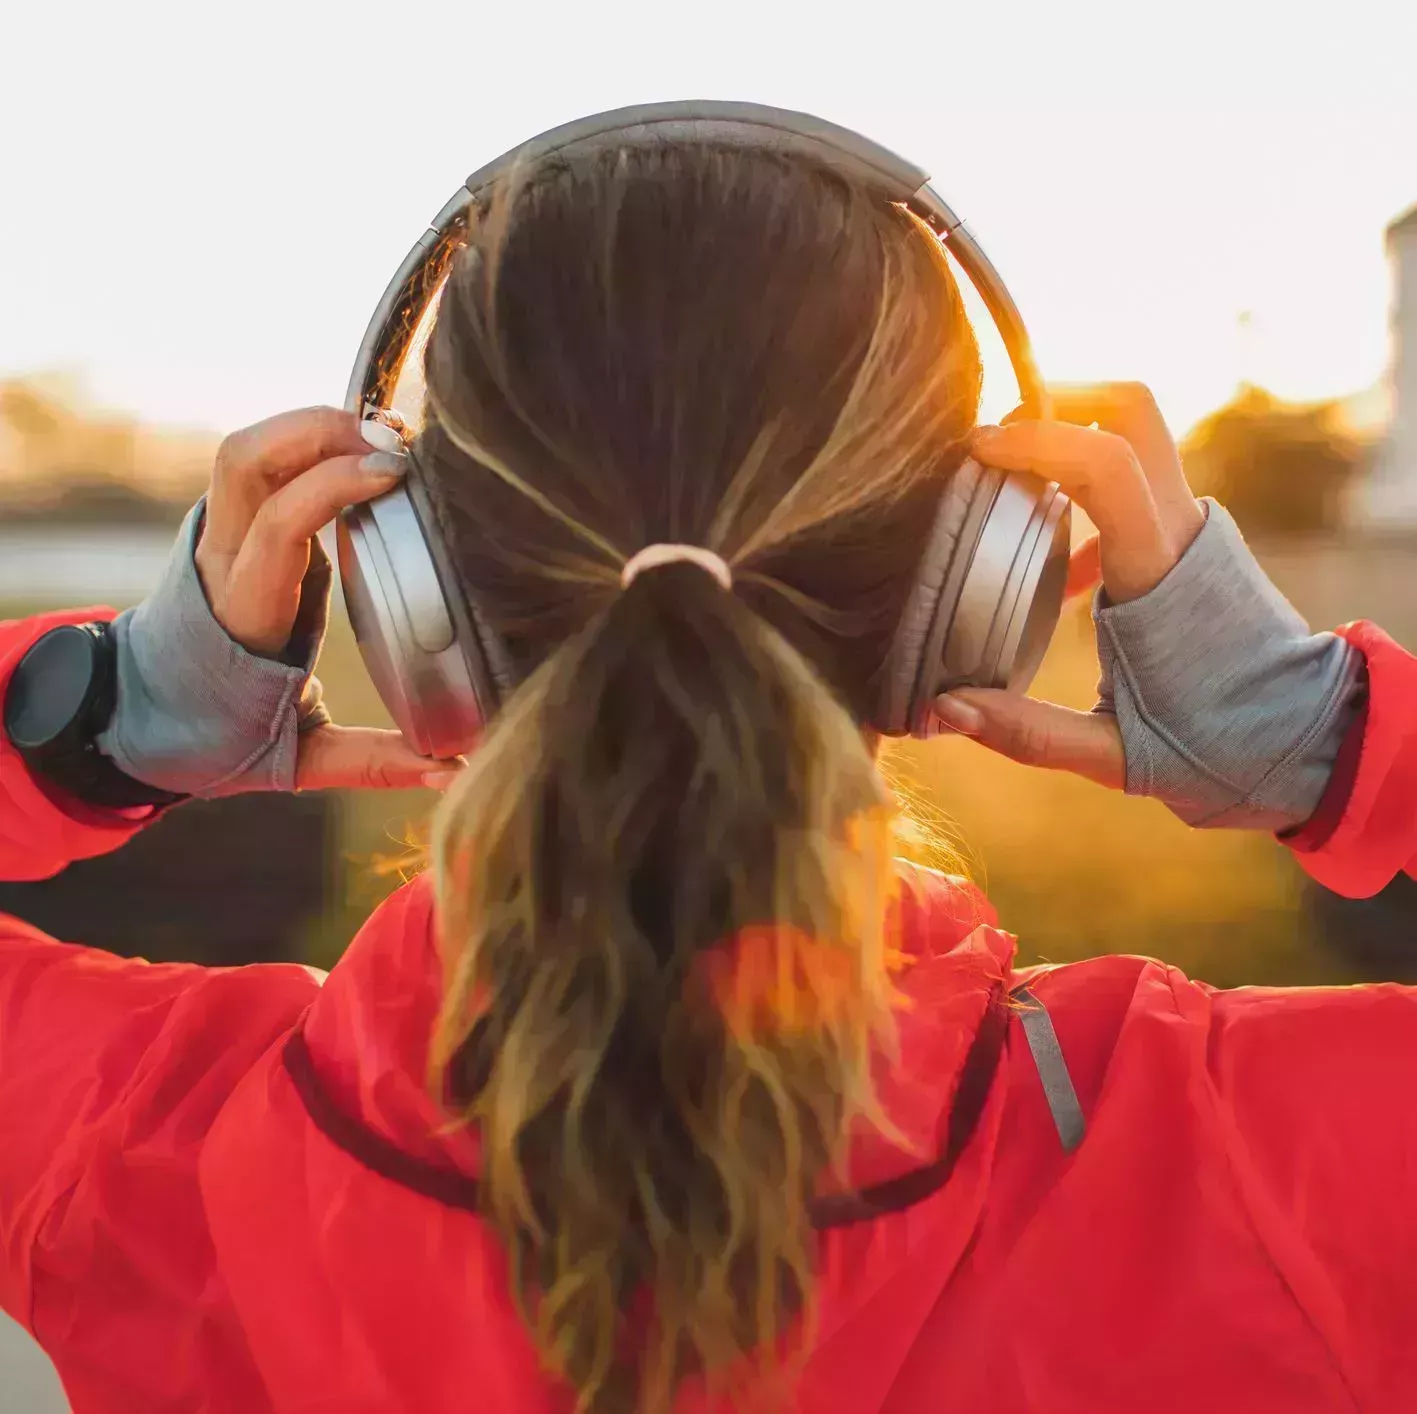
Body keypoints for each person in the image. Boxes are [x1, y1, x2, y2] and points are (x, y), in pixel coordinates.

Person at [2, 143, 1416, 1414]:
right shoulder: (1273, 1173)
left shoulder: (142, 1156)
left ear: (420, 590)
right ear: (966, 585)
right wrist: (1330, 738)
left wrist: (100, 718)